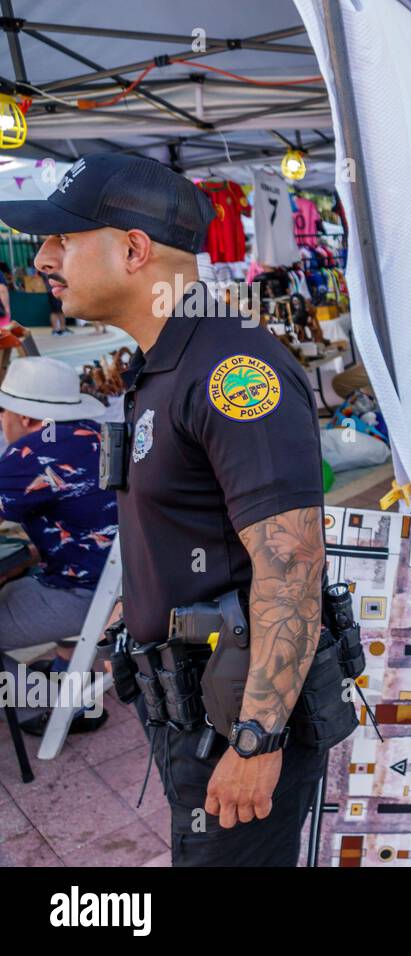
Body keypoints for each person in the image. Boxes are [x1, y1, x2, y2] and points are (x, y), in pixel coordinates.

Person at [0, 153, 329, 866]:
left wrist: (257, 740)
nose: (45, 260)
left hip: (234, 722)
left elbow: (293, 566)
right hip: (187, 710)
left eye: (61, 239)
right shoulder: (163, 360)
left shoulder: (234, 372)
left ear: (133, 249)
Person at [0, 356, 116, 733]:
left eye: (5, 412)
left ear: (29, 420)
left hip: (86, 594)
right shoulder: (96, 431)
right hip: (127, 585)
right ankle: (69, 674)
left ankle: (48, 708)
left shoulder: (29, 454)